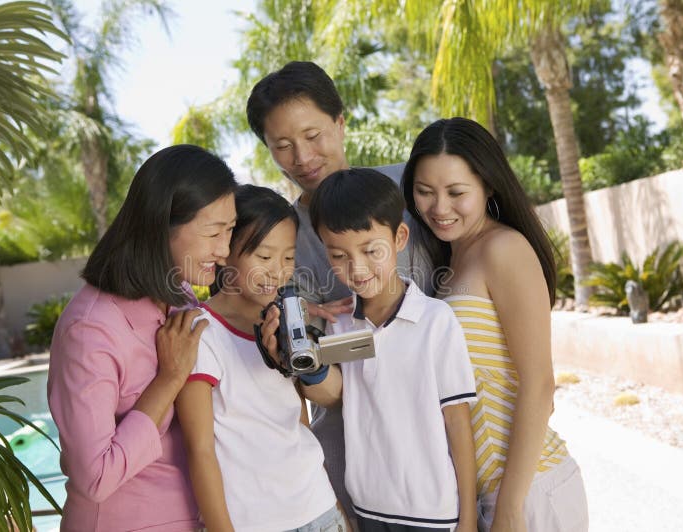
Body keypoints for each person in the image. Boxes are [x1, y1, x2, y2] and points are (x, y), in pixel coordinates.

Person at [246, 60, 432, 519]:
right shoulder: (279, 245)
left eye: (313, 136)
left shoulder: (415, 189)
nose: (302, 158)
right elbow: (323, 388)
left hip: (441, 431)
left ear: (340, 122)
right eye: (282, 146)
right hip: (355, 459)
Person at [260, 169, 478, 532]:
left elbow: (458, 423)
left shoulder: (436, 321)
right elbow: (335, 396)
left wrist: (468, 518)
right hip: (367, 507)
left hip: (434, 513)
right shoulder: (340, 324)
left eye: (371, 250)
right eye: (338, 255)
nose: (357, 268)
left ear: (400, 238)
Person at [401, 117, 589, 532]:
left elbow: (539, 384)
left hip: (528, 491)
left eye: (456, 192)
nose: (439, 208)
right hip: (487, 496)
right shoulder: (450, 262)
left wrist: (508, 509)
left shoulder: (504, 248)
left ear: (488, 186)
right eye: (424, 192)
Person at [47, 144, 238, 531]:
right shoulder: (90, 330)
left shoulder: (178, 295)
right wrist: (168, 379)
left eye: (230, 230)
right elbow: (94, 477)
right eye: (213, 233)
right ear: (160, 226)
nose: (224, 250)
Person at [175, 184, 343, 531]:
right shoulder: (201, 333)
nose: (278, 271)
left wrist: (336, 507)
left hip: (319, 509)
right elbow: (200, 450)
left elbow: (299, 425)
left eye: (288, 257)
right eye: (264, 257)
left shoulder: (282, 324)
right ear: (226, 252)